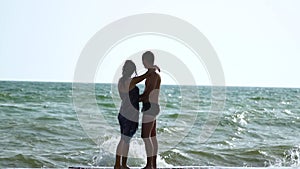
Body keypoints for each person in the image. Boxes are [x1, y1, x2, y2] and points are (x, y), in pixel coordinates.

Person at [114, 60, 158, 169]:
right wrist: (153, 68)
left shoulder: (120, 81)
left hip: (122, 113)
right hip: (130, 115)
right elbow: (145, 75)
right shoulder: (131, 81)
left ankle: (122, 164)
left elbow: (125, 98)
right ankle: (119, 165)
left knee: (124, 139)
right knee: (125, 140)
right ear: (132, 70)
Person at [140, 51, 161, 169]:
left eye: (143, 60)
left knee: (145, 136)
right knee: (152, 137)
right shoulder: (151, 74)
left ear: (146, 60)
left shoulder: (153, 76)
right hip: (153, 107)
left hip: (150, 108)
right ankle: (154, 165)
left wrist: (135, 98)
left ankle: (149, 165)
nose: (142, 62)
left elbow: (148, 93)